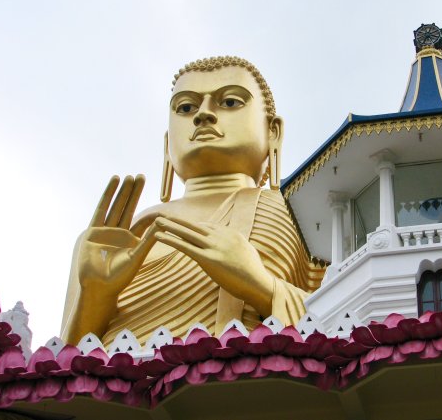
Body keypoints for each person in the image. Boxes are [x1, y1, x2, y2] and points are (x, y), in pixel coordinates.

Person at [61, 57, 324, 346]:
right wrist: (96, 295)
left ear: (272, 131)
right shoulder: (117, 235)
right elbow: (66, 361)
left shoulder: (298, 211)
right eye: (186, 108)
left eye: (230, 102)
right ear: (167, 141)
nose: (204, 115)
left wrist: (261, 286)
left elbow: (341, 318)